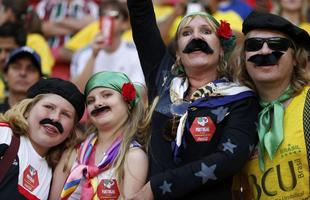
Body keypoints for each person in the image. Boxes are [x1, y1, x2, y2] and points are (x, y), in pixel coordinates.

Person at [126, 0, 259, 199]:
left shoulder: (241, 98)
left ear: (222, 49)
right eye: (186, 33)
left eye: (206, 31)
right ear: (178, 54)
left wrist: (156, 187)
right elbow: (141, 17)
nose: (196, 36)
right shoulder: (163, 83)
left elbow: (229, 159)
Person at [232, 11, 310, 199]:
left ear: (294, 59)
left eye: (277, 44)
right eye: (254, 45)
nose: (265, 51)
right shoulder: (237, 115)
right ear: (244, 59)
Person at [49, 71, 154, 199]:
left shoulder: (133, 156)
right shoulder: (73, 153)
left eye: (107, 95)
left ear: (128, 103)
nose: (97, 103)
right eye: (90, 100)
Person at [0, 77, 85, 199]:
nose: (55, 118)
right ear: (28, 109)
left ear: (71, 130)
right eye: (49, 107)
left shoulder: (56, 173)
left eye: (65, 114)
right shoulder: (4, 134)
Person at [70, 0, 145, 92]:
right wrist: (93, 56)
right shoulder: (83, 53)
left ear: (125, 23)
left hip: (124, 105)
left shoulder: (136, 53)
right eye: (103, 15)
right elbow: (76, 91)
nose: (108, 20)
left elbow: (139, 93)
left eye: (114, 16)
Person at [0, 46, 43, 113]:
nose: (23, 73)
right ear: (5, 75)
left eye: (31, 69)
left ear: (40, 79)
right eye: (16, 67)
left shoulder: (43, 115)